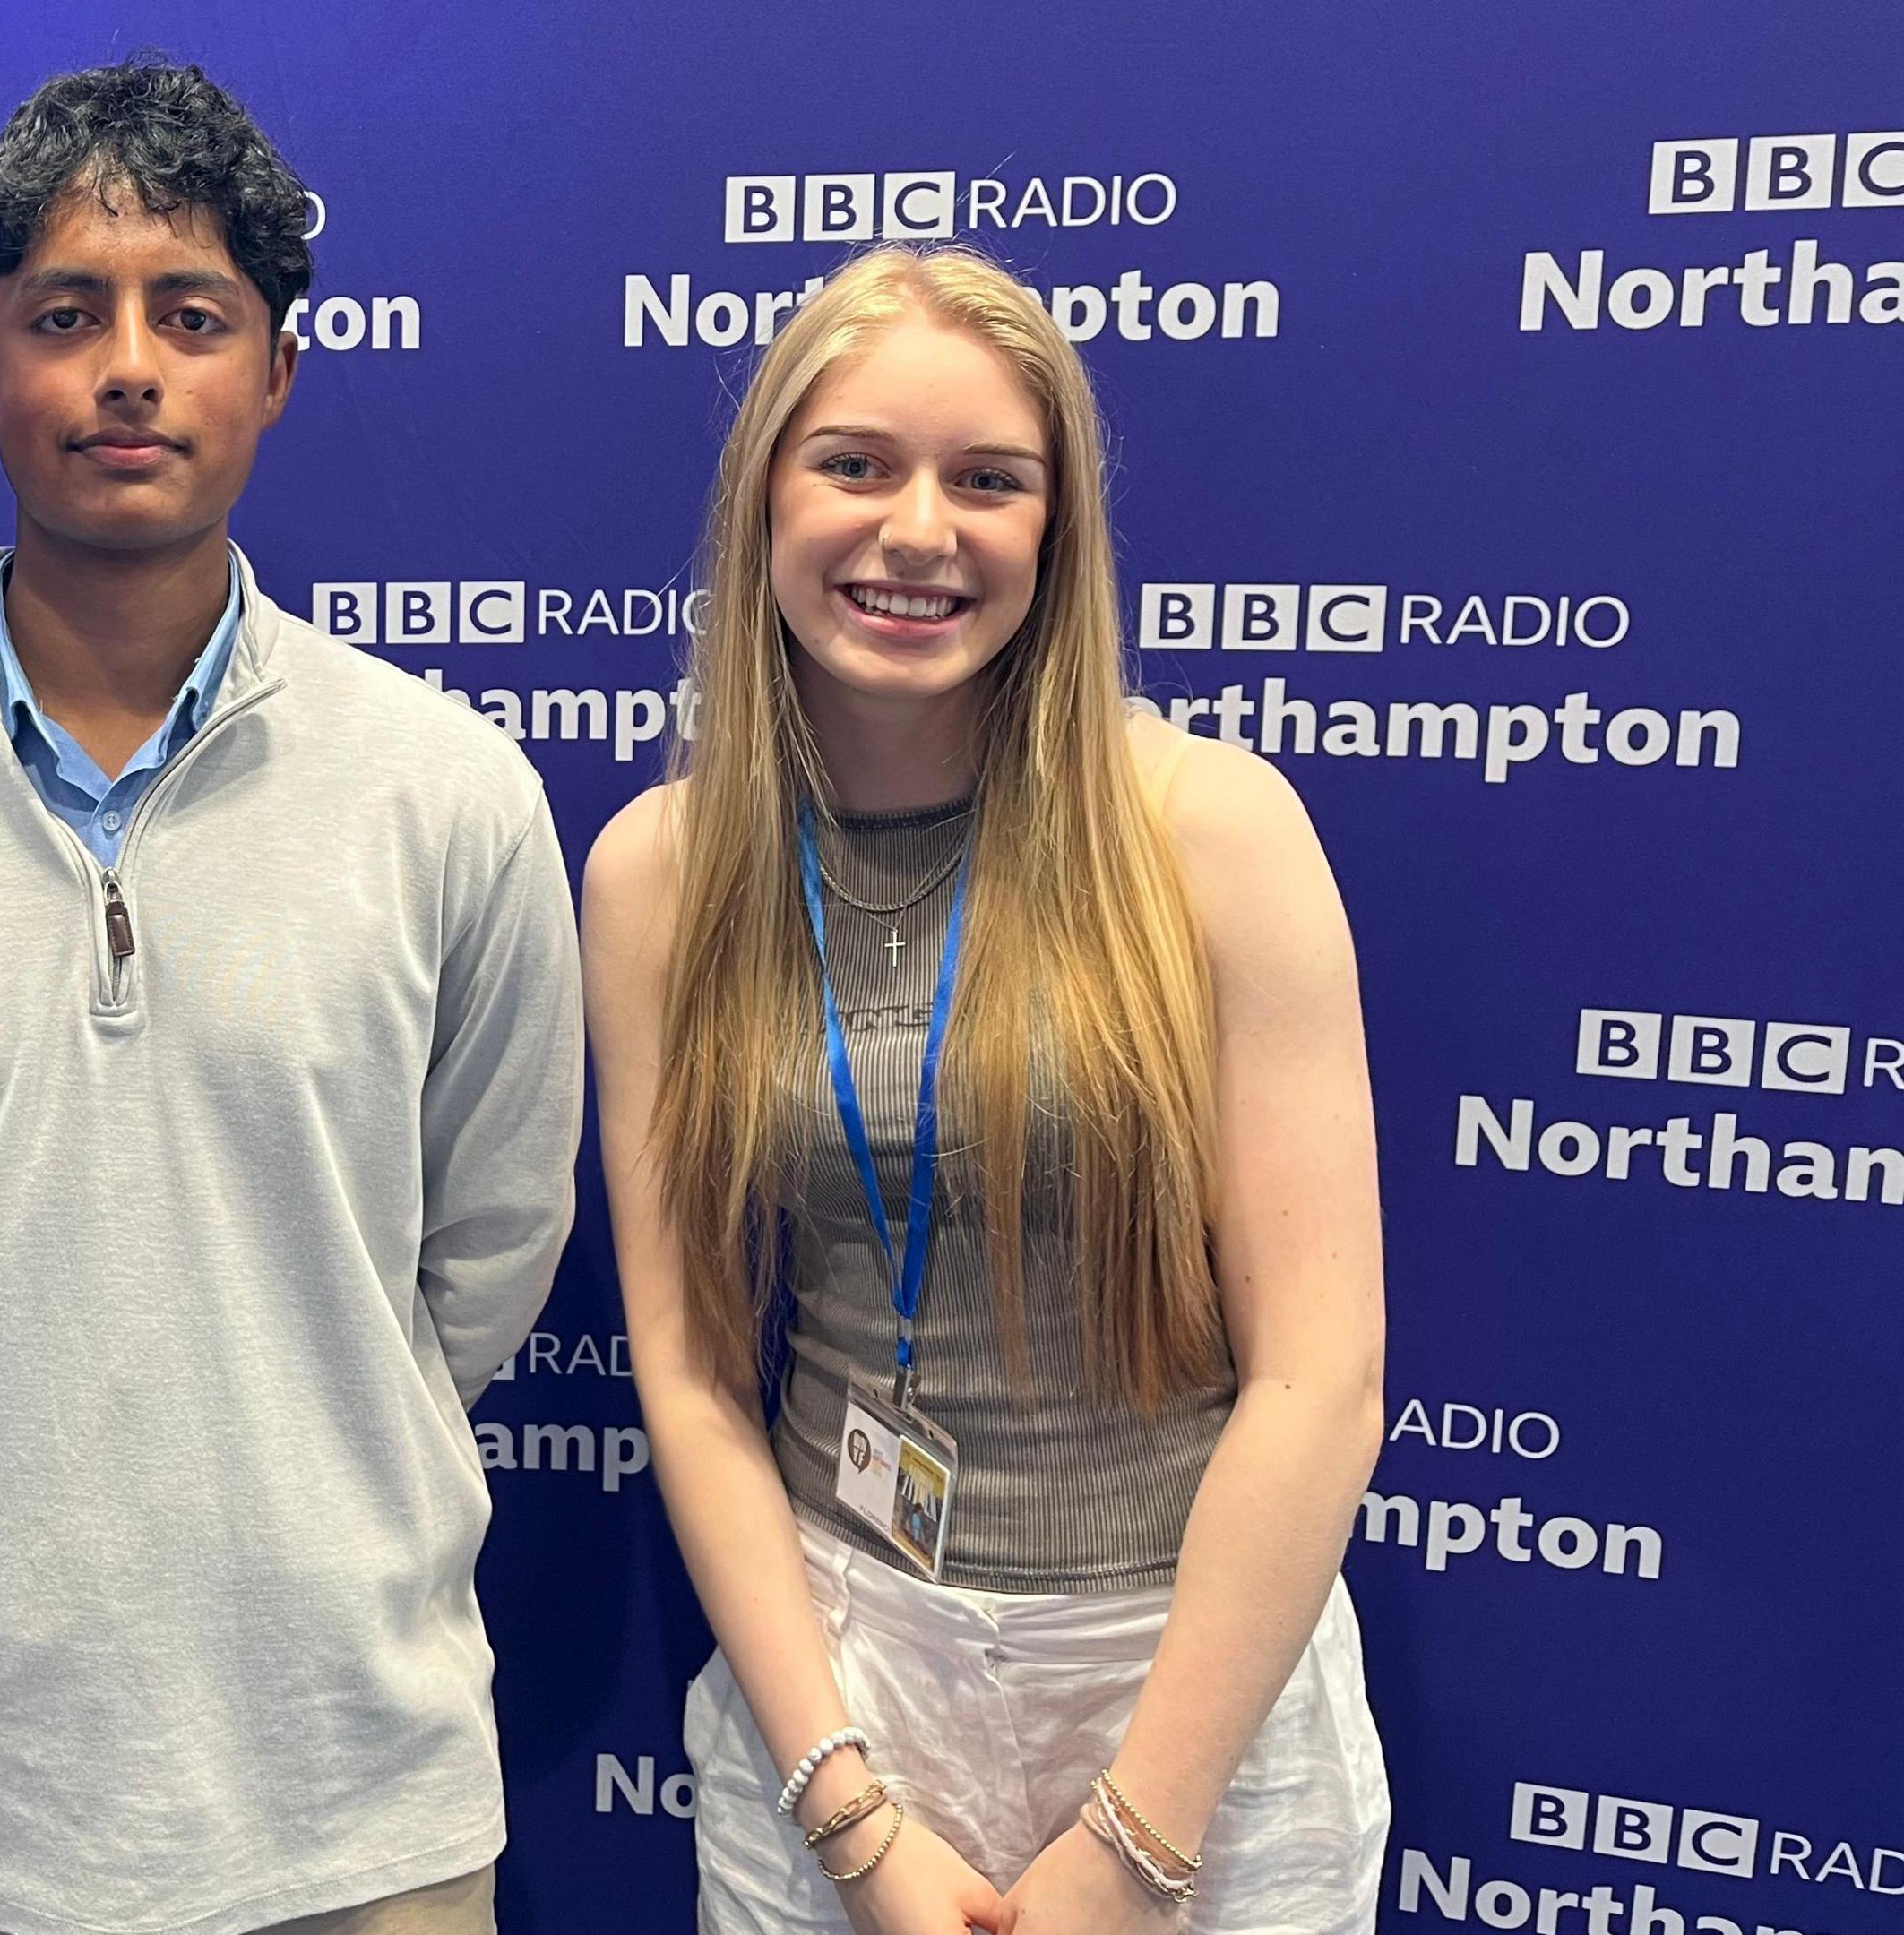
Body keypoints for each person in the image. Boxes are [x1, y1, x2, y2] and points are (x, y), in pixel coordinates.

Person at [0, 56, 583, 1935]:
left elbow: (488, 1250)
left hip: (354, 1804)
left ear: (279, 369)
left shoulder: (452, 797)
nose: (130, 368)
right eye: (63, 316)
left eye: (194, 314)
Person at [582, 243, 1389, 1934]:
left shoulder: (1212, 835)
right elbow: (691, 1366)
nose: (920, 530)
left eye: (989, 480)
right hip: (839, 1682)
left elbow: (1321, 1377)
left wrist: (1135, 1843)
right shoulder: (662, 872)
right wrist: (851, 1815)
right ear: (765, 501)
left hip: (1187, 1690)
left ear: (1057, 528)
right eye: (856, 464)